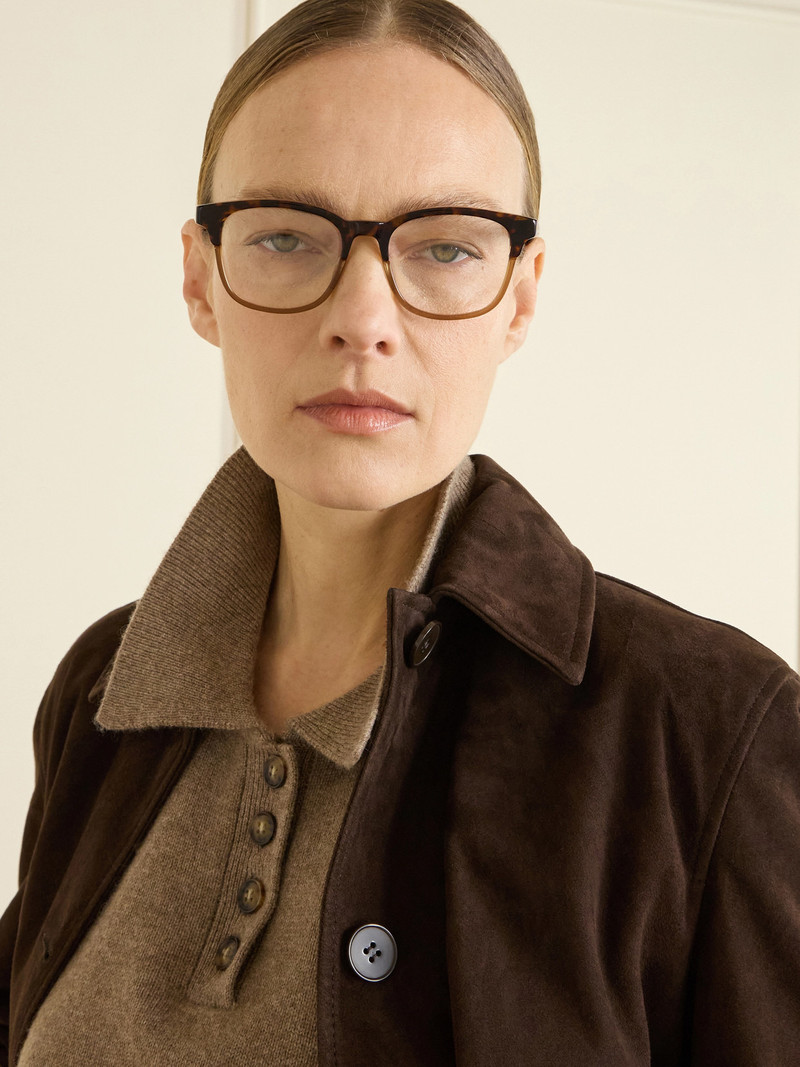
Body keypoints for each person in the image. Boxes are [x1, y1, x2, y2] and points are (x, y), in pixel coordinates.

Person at [2, 0, 799, 1063]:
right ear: (200, 278)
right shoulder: (101, 693)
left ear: (519, 298)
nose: (363, 319)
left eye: (446, 248)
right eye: (286, 236)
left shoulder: (706, 734)